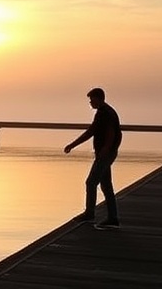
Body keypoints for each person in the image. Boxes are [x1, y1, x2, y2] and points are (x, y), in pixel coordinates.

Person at [64, 87, 122, 230]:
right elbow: (91, 132)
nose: (90, 102)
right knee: (106, 185)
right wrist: (73, 145)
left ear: (99, 98)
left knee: (91, 182)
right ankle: (113, 218)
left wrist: (106, 149)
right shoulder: (101, 113)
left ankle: (90, 214)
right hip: (105, 153)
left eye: (92, 99)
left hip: (105, 154)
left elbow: (111, 132)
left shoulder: (106, 113)